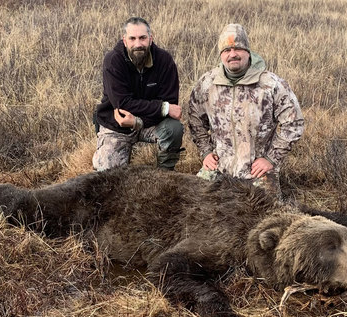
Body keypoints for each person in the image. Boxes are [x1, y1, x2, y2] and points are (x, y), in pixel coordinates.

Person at [188, 24, 304, 199]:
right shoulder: (207, 83)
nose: (232, 54)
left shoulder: (270, 84)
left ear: (248, 51)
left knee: (265, 215)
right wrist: (205, 152)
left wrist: (271, 159)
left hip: (256, 170)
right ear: (221, 55)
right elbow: (195, 119)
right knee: (195, 205)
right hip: (219, 167)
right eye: (227, 50)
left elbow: (294, 124)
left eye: (238, 48)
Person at [92, 17, 184, 171]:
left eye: (142, 38)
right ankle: (104, 154)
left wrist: (138, 122)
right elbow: (122, 104)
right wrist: (163, 108)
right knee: (108, 176)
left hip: (149, 124)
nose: (138, 44)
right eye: (132, 38)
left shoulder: (165, 60)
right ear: (124, 40)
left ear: (150, 38)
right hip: (118, 125)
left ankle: (165, 174)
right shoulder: (113, 61)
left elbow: (170, 102)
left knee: (173, 129)